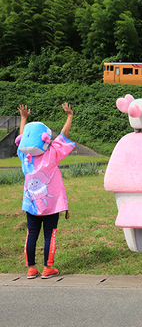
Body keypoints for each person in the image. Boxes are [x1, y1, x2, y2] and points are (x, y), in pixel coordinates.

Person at [16, 103, 76, 279]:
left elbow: (22, 138)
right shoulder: (52, 155)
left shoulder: (24, 157)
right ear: (44, 139)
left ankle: (31, 268)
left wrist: (23, 118)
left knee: (31, 233)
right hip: (51, 204)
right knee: (50, 233)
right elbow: (63, 136)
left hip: (31, 204)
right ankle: (48, 267)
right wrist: (69, 116)